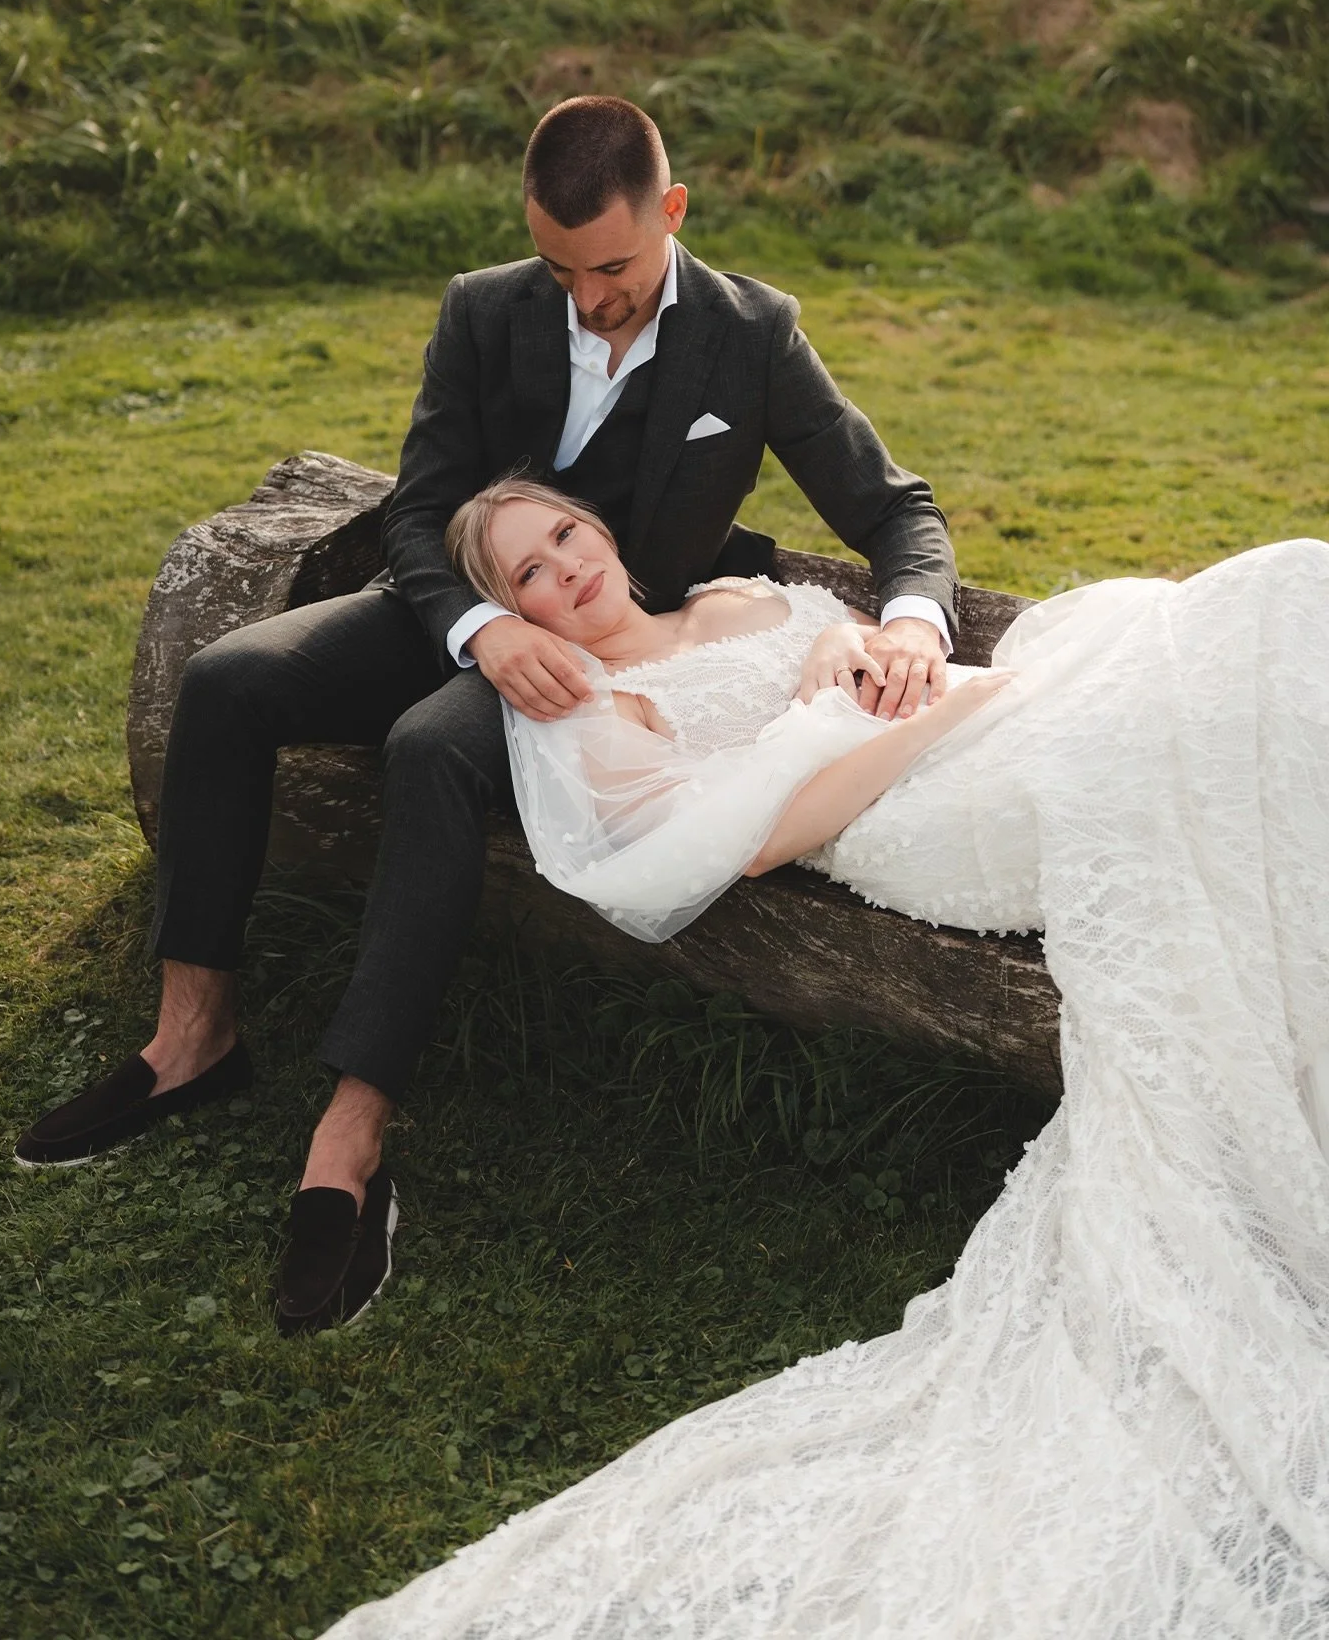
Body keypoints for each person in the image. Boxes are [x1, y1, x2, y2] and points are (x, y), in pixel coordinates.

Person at [11, 95, 959, 1336]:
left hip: (607, 657)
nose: (585, 296)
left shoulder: (754, 338)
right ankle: (193, 1036)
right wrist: (480, 626)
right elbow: (420, 511)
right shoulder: (482, 308)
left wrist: (909, 624)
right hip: (461, 609)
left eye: (612, 267)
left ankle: (350, 1138)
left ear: (671, 215)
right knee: (229, 681)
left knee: (431, 753)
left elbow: (898, 513)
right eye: (560, 267)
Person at [317, 485, 1329, 1639]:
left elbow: (861, 633)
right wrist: (927, 718)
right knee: (1205, 710)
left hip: (979, 718)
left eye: (564, 534)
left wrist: (857, 642)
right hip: (918, 804)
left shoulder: (738, 596)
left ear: (597, 525)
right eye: (529, 576)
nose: (565, 569)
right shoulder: (601, 709)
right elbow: (745, 847)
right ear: (513, 614)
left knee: (1280, 590)